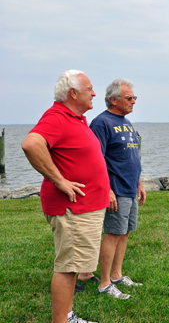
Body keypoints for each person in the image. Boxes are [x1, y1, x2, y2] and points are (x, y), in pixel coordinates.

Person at [22, 70, 109, 323]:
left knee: (73, 266)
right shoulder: (57, 117)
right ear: (73, 93)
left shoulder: (76, 118)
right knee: (68, 267)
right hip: (73, 209)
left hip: (85, 207)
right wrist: (59, 180)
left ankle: (68, 316)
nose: (94, 93)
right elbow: (31, 144)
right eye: (89, 89)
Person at [88, 78, 146, 299]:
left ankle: (117, 275)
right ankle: (104, 284)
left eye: (134, 98)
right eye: (129, 98)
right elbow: (96, 160)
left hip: (131, 187)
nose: (133, 102)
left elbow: (133, 157)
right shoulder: (101, 123)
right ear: (113, 100)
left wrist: (140, 184)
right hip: (116, 190)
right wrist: (107, 190)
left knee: (126, 232)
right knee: (113, 234)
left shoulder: (126, 123)